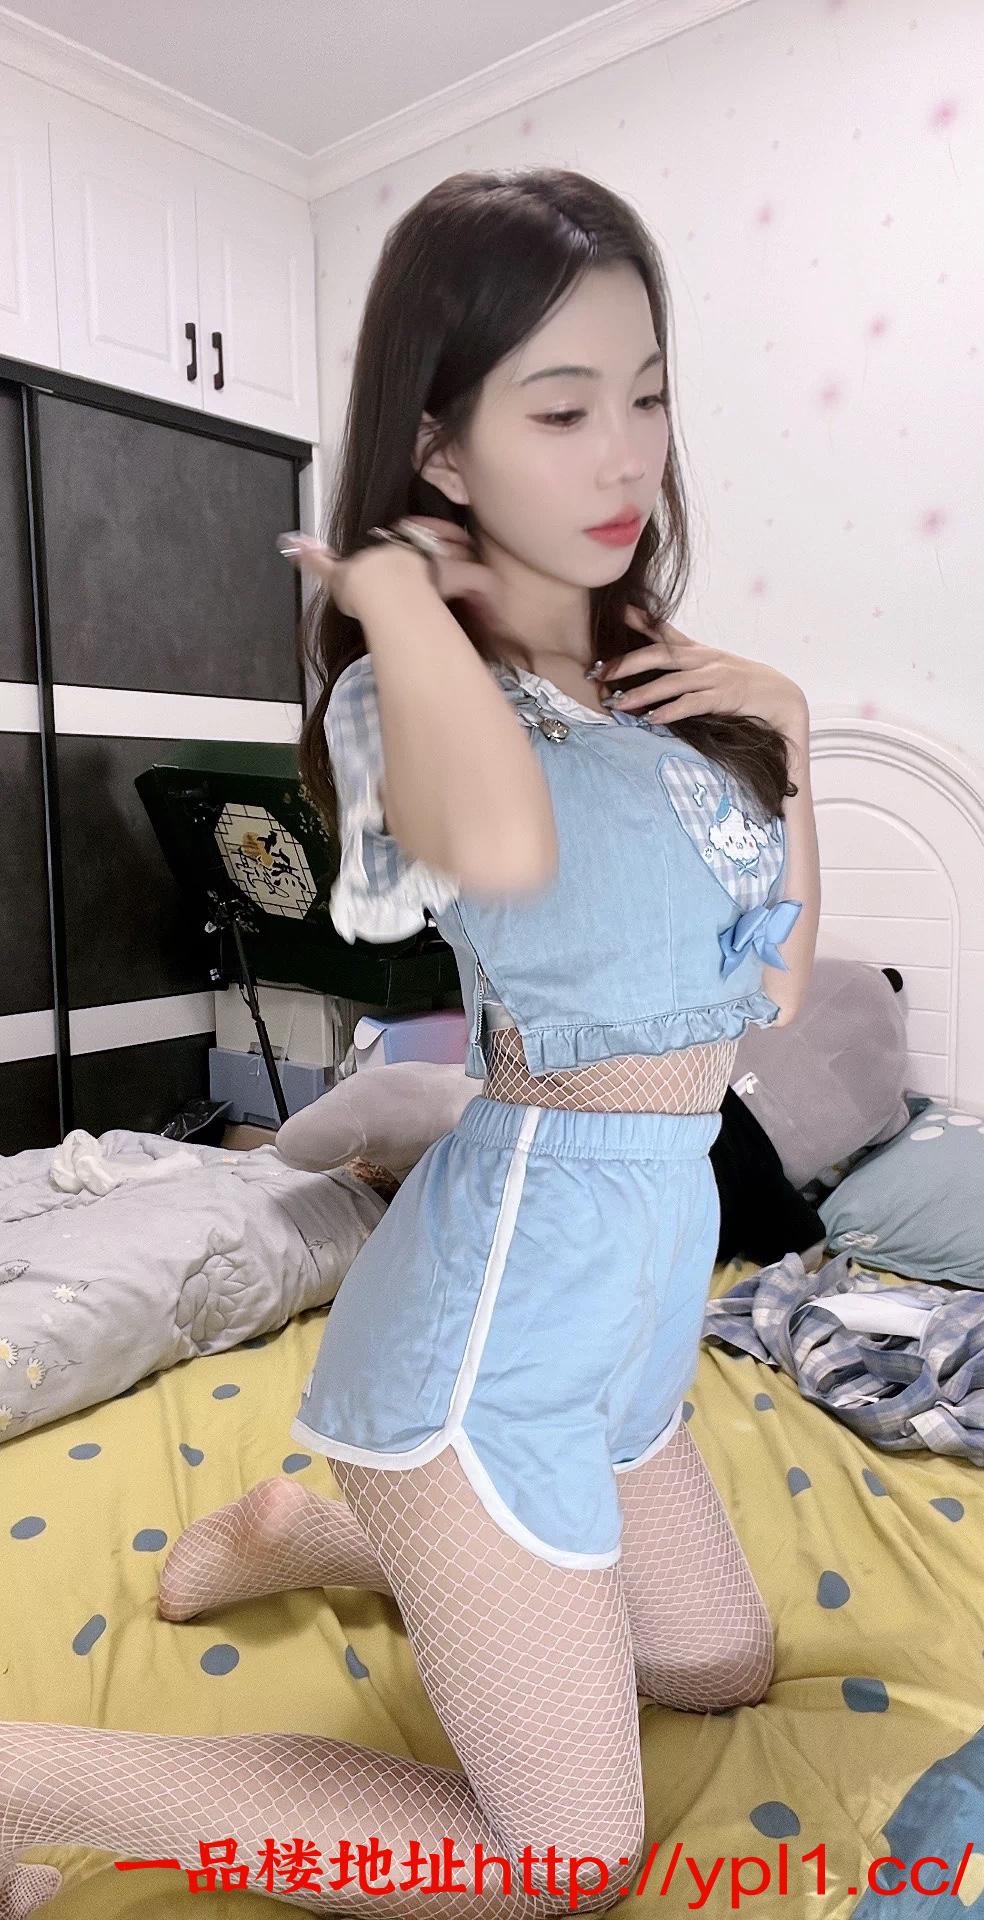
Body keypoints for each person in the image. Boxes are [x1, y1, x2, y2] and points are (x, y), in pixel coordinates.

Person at [0, 167, 820, 1918]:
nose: (628, 455)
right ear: (442, 449)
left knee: (723, 1668)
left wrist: (794, 734)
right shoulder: (411, 685)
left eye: (649, 396)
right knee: (566, 1863)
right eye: (564, 409)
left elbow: (777, 993)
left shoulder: (673, 699)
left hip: (632, 1330)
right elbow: (502, 850)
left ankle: (318, 1528)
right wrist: (395, 601)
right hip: (503, 1334)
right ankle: (32, 1779)